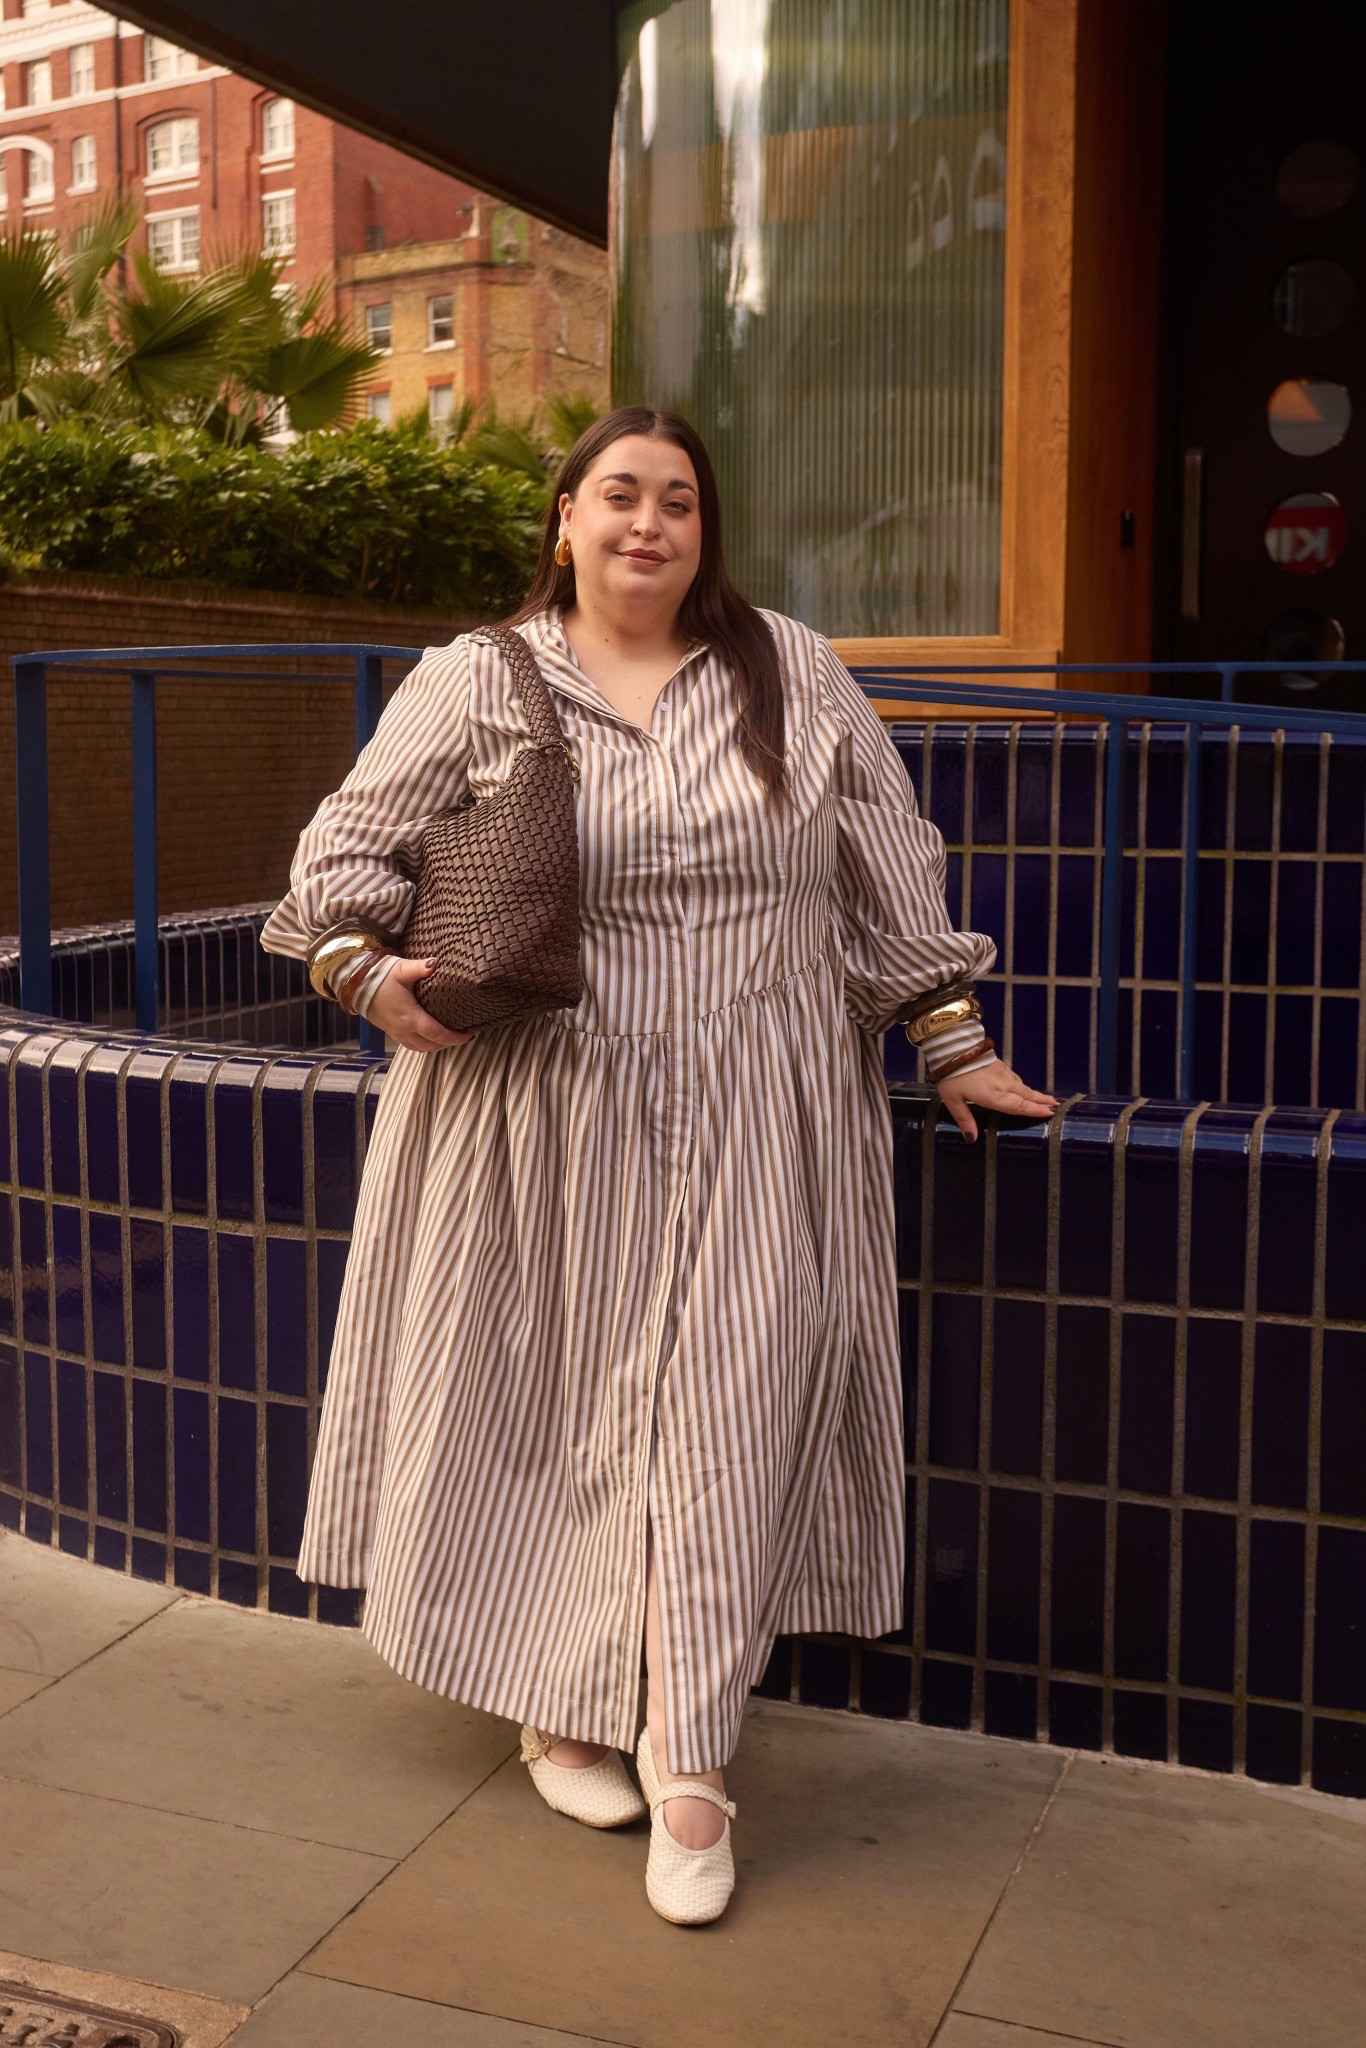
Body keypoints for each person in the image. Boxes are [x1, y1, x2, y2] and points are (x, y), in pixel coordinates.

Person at [260, 405, 1057, 1927]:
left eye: (677, 501)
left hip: (767, 1108)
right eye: (617, 496)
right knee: (553, 1395)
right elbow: (340, 859)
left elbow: (885, 863)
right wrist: (372, 975)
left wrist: (951, 1043)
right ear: (564, 519)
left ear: (705, 528)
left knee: (732, 1396)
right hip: (542, 1107)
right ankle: (555, 1700)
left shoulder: (792, 669)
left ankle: (690, 1751)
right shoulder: (476, 676)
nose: (648, 525)